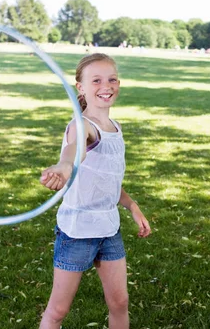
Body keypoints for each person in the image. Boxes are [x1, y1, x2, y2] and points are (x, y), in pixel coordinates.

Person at [39, 53, 151, 329]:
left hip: (108, 229)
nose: (106, 85)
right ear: (81, 87)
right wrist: (65, 167)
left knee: (120, 303)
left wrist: (132, 206)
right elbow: (74, 150)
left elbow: (108, 178)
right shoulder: (83, 125)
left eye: (112, 79)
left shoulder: (114, 127)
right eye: (97, 80)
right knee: (58, 310)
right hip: (77, 232)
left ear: (119, 83)